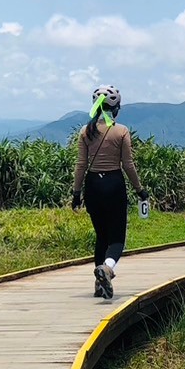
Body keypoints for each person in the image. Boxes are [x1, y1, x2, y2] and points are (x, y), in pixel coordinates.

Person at [71, 85, 148, 299]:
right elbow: (128, 165)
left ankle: (99, 284)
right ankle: (107, 267)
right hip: (114, 183)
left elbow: (80, 165)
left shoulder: (86, 131)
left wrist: (76, 194)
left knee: (101, 235)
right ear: (116, 107)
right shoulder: (121, 131)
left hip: (93, 185)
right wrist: (140, 190)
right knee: (116, 239)